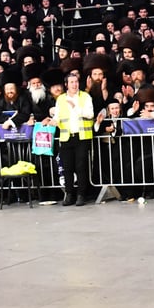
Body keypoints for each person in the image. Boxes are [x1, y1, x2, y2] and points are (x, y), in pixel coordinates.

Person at [54, 71, 94, 206]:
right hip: (66, 137)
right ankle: (69, 194)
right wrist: (51, 120)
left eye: (76, 81)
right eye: (71, 82)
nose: (74, 84)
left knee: (81, 166)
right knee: (67, 167)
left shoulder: (85, 96)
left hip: (82, 136)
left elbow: (90, 114)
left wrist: (75, 107)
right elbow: (57, 116)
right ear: (66, 85)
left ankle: (81, 195)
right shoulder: (61, 99)